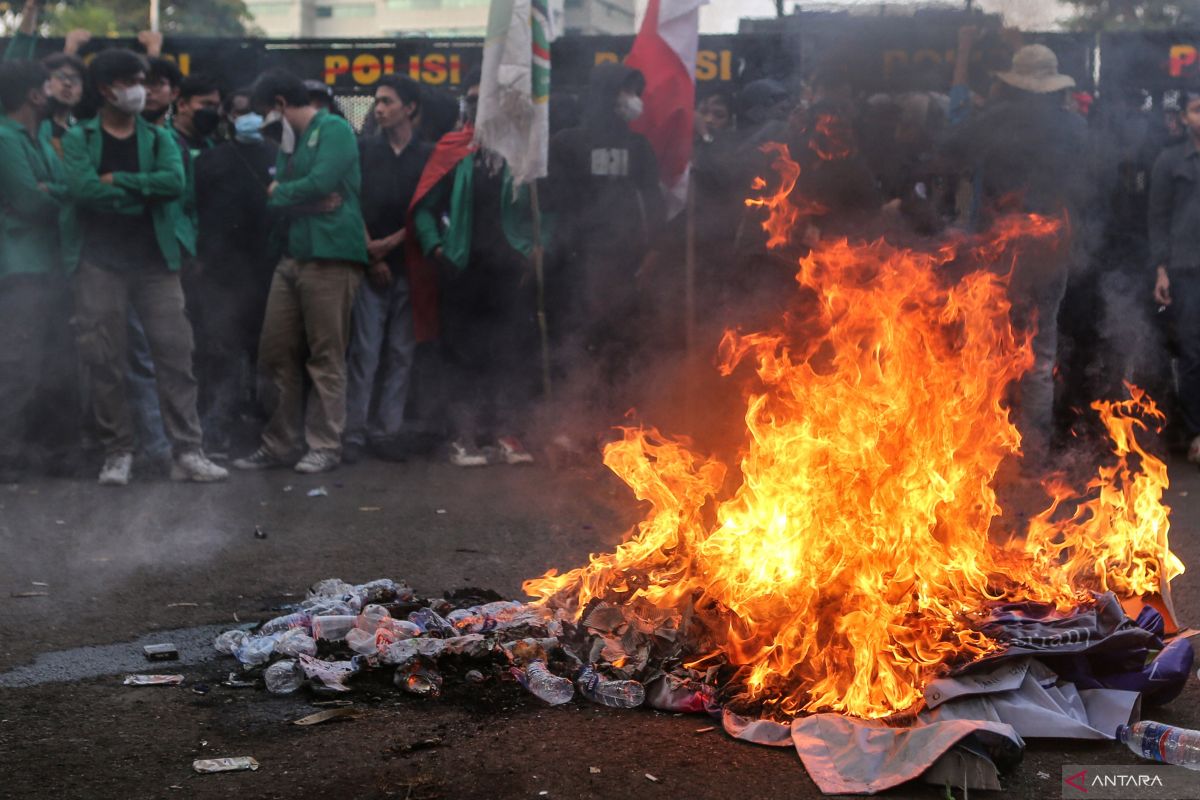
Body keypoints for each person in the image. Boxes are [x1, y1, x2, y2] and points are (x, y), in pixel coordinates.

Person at [61, 49, 227, 486]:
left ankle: (188, 451)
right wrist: (140, 193)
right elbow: (81, 190)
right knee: (105, 360)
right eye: (132, 81)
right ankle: (118, 452)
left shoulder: (159, 138)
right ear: (106, 89)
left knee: (176, 356)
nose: (141, 90)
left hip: (156, 263)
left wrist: (118, 183)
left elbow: (173, 184)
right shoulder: (82, 137)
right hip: (99, 263)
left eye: (144, 80)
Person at [942, 44, 1091, 463]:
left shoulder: (992, 121)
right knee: (1040, 358)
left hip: (995, 253)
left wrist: (987, 99)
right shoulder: (1074, 128)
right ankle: (1033, 454)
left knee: (985, 349)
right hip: (1050, 252)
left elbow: (950, 141)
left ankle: (982, 450)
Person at [410, 73, 548, 467]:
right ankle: (462, 436)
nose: (478, 107)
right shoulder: (453, 150)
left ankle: (504, 431)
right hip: (462, 271)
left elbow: (545, 208)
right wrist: (436, 245)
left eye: (484, 100)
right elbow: (425, 208)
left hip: (508, 271)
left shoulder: (522, 153)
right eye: (472, 100)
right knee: (461, 356)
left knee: (507, 354)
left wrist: (539, 243)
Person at [233, 69, 367, 475]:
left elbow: (320, 180)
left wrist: (287, 195)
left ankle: (325, 444)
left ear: (279, 105)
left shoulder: (335, 131)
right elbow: (283, 198)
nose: (263, 124)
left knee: (326, 354)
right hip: (291, 256)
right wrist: (302, 200)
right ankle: (279, 443)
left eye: (264, 113)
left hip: (330, 256)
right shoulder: (289, 144)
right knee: (274, 353)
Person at [547, 63, 664, 423]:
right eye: (626, 91)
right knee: (578, 344)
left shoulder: (639, 145)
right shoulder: (567, 143)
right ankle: (574, 423)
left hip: (626, 265)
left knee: (622, 344)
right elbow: (554, 205)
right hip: (577, 265)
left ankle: (618, 422)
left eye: (635, 92)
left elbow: (653, 200)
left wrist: (653, 251)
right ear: (607, 94)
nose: (634, 100)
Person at [345, 76, 433, 463]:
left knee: (401, 352)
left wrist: (392, 244)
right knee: (364, 352)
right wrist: (371, 253)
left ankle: (389, 431)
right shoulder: (364, 151)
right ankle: (354, 432)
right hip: (369, 268)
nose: (378, 108)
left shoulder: (428, 156)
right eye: (376, 101)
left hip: (411, 268)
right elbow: (351, 201)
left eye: (387, 101)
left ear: (410, 107)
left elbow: (430, 210)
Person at [193, 90, 278, 455]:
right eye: (239, 111)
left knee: (267, 355)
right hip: (221, 274)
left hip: (269, 271)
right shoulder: (210, 160)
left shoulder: (280, 157)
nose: (248, 117)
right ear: (227, 116)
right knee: (221, 354)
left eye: (254, 111)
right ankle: (216, 431)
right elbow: (192, 210)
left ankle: (265, 431)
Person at [0, 61, 68, 482]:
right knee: (16, 363)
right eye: (47, 83)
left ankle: (24, 448)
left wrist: (55, 190)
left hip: (46, 263)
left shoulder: (38, 135)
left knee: (44, 362)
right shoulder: (5, 138)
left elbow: (63, 186)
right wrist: (56, 192)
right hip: (19, 268)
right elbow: (30, 200)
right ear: (33, 94)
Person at [1149, 88, 1200, 462]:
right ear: (1184, 118)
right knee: (1192, 354)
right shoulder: (1169, 162)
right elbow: (1158, 220)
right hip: (1187, 270)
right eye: (1198, 110)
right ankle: (1197, 434)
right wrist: (1161, 271)